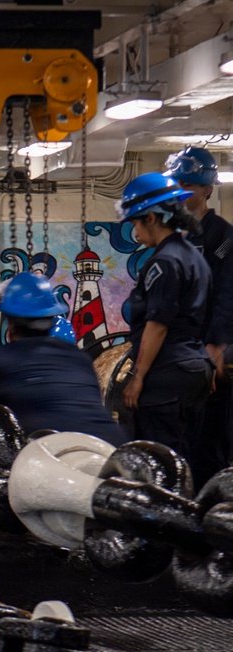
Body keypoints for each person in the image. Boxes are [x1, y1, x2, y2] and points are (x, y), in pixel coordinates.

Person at [0, 272, 126, 445]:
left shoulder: (1, 360)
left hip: (51, 458)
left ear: (12, 325)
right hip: (109, 448)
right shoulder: (79, 358)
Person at [118, 172, 215, 490]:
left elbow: (157, 326)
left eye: (135, 223)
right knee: (186, 457)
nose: (134, 231)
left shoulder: (165, 263)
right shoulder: (193, 257)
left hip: (166, 374)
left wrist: (138, 377)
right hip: (195, 368)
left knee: (158, 463)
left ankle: (161, 536)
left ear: (151, 217)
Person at [164, 146, 233, 467]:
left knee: (210, 437)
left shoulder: (223, 237)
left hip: (210, 353)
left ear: (207, 189)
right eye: (176, 185)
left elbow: (226, 293)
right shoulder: (181, 237)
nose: (181, 193)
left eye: (188, 186)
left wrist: (216, 344)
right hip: (185, 353)